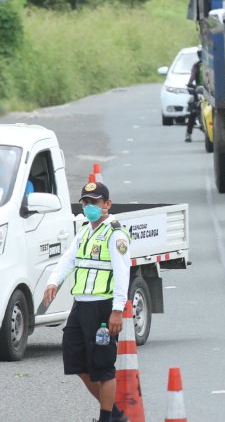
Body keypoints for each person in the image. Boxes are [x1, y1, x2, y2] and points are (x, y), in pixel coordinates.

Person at [43, 181, 132, 422]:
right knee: (76, 362)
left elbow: (123, 274)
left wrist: (117, 310)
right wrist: (53, 282)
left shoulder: (115, 235)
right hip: (81, 305)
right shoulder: (85, 230)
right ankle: (115, 415)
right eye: (85, 202)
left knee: (103, 367)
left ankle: (106, 419)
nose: (89, 206)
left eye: (94, 202)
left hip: (103, 307)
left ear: (107, 204)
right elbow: (68, 259)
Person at [185, 50, 203, 143]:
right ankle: (188, 134)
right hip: (199, 91)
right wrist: (190, 84)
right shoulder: (197, 66)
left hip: (208, 91)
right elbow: (192, 76)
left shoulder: (207, 66)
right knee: (194, 111)